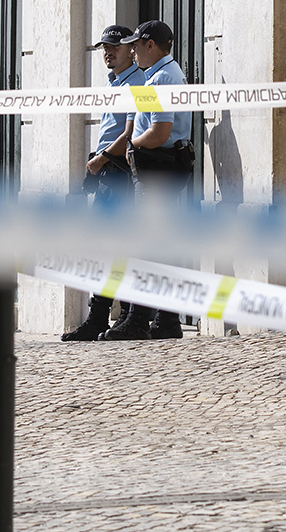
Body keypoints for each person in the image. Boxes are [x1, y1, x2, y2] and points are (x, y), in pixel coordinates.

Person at [95, 19, 196, 342]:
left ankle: (139, 319)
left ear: (151, 45)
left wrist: (132, 146)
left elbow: (160, 132)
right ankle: (166, 321)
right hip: (159, 168)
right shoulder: (160, 75)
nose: (133, 50)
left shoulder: (163, 78)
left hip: (158, 168)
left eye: (137, 44)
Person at [63, 24, 148, 342]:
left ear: (130, 48)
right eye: (103, 47)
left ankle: (113, 317)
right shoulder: (114, 82)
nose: (107, 52)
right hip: (109, 171)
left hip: (119, 171)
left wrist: (99, 161)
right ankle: (107, 316)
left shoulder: (136, 81)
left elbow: (128, 133)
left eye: (113, 46)